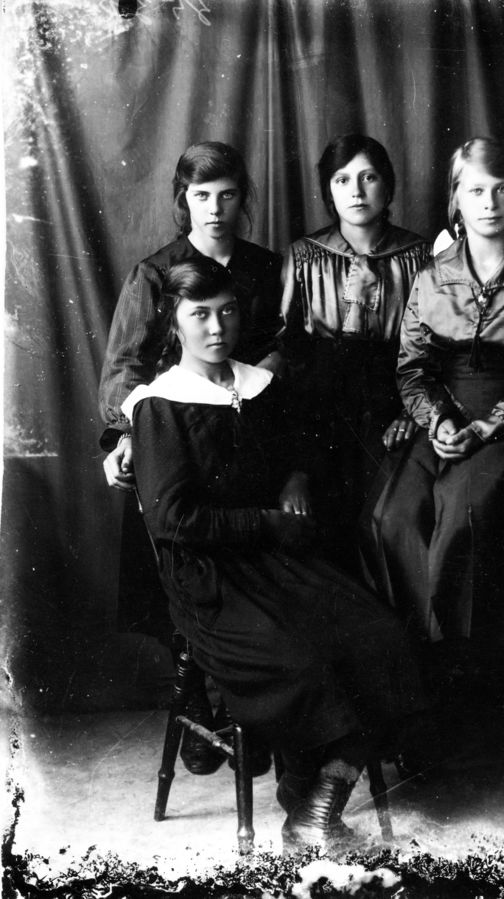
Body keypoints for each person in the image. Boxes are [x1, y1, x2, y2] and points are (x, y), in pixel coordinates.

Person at [122, 258, 425, 849]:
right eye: (200, 315)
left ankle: (314, 805)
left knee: (382, 636)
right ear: (174, 323)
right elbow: (173, 520)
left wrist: (296, 479)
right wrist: (265, 521)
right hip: (208, 575)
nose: (217, 327)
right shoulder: (160, 406)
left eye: (228, 312)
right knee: (302, 661)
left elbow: (301, 448)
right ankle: (309, 800)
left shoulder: (259, 387)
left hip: (279, 561)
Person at [98, 141, 283, 774]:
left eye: (227, 195)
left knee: (260, 569)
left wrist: (264, 376)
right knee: (185, 561)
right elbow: (125, 370)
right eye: (201, 196)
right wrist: (128, 436)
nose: (215, 208)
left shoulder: (266, 267)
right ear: (184, 199)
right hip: (176, 437)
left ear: (243, 198)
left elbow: (284, 343)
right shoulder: (155, 273)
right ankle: (201, 704)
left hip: (246, 430)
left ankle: (253, 708)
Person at [360, 137, 504, 664]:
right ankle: (415, 666)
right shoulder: (433, 276)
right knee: (393, 517)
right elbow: (413, 368)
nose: (490, 203)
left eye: (501, 189)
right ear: (455, 198)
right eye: (476, 190)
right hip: (443, 416)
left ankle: (466, 666)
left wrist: (489, 427)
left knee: (465, 514)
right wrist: (437, 421)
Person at [279, 134, 431, 566]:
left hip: (396, 398)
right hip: (323, 405)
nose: (357, 192)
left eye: (369, 178)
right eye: (342, 180)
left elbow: (434, 347)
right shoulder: (304, 256)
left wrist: (414, 412)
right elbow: (288, 349)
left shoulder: (420, 256)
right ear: (328, 191)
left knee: (390, 520)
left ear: (389, 186)